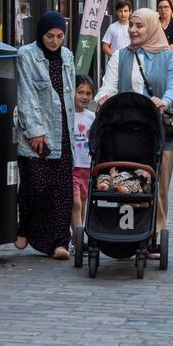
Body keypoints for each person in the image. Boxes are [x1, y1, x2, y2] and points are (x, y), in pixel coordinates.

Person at [96, 8, 173, 251]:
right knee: (130, 178)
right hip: (127, 129)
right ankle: (132, 232)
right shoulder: (120, 56)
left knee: (159, 184)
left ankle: (155, 233)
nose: (132, 30)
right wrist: (103, 97)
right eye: (131, 25)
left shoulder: (169, 57)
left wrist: (164, 101)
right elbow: (108, 85)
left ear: (152, 27)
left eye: (139, 26)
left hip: (158, 128)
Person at [14, 12, 76, 259]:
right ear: (40, 34)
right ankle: (26, 228)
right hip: (38, 131)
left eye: (60, 36)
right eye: (50, 36)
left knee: (62, 191)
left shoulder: (68, 56)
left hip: (64, 131)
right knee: (36, 186)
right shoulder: (26, 55)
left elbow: (69, 94)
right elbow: (25, 94)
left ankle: (60, 243)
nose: (55, 41)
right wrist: (34, 131)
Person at [70, 75, 96, 234]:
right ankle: (77, 241)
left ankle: (78, 235)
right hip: (72, 166)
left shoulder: (92, 117)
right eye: (80, 92)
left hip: (87, 167)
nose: (84, 97)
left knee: (84, 202)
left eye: (88, 93)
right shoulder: (67, 115)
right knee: (76, 203)